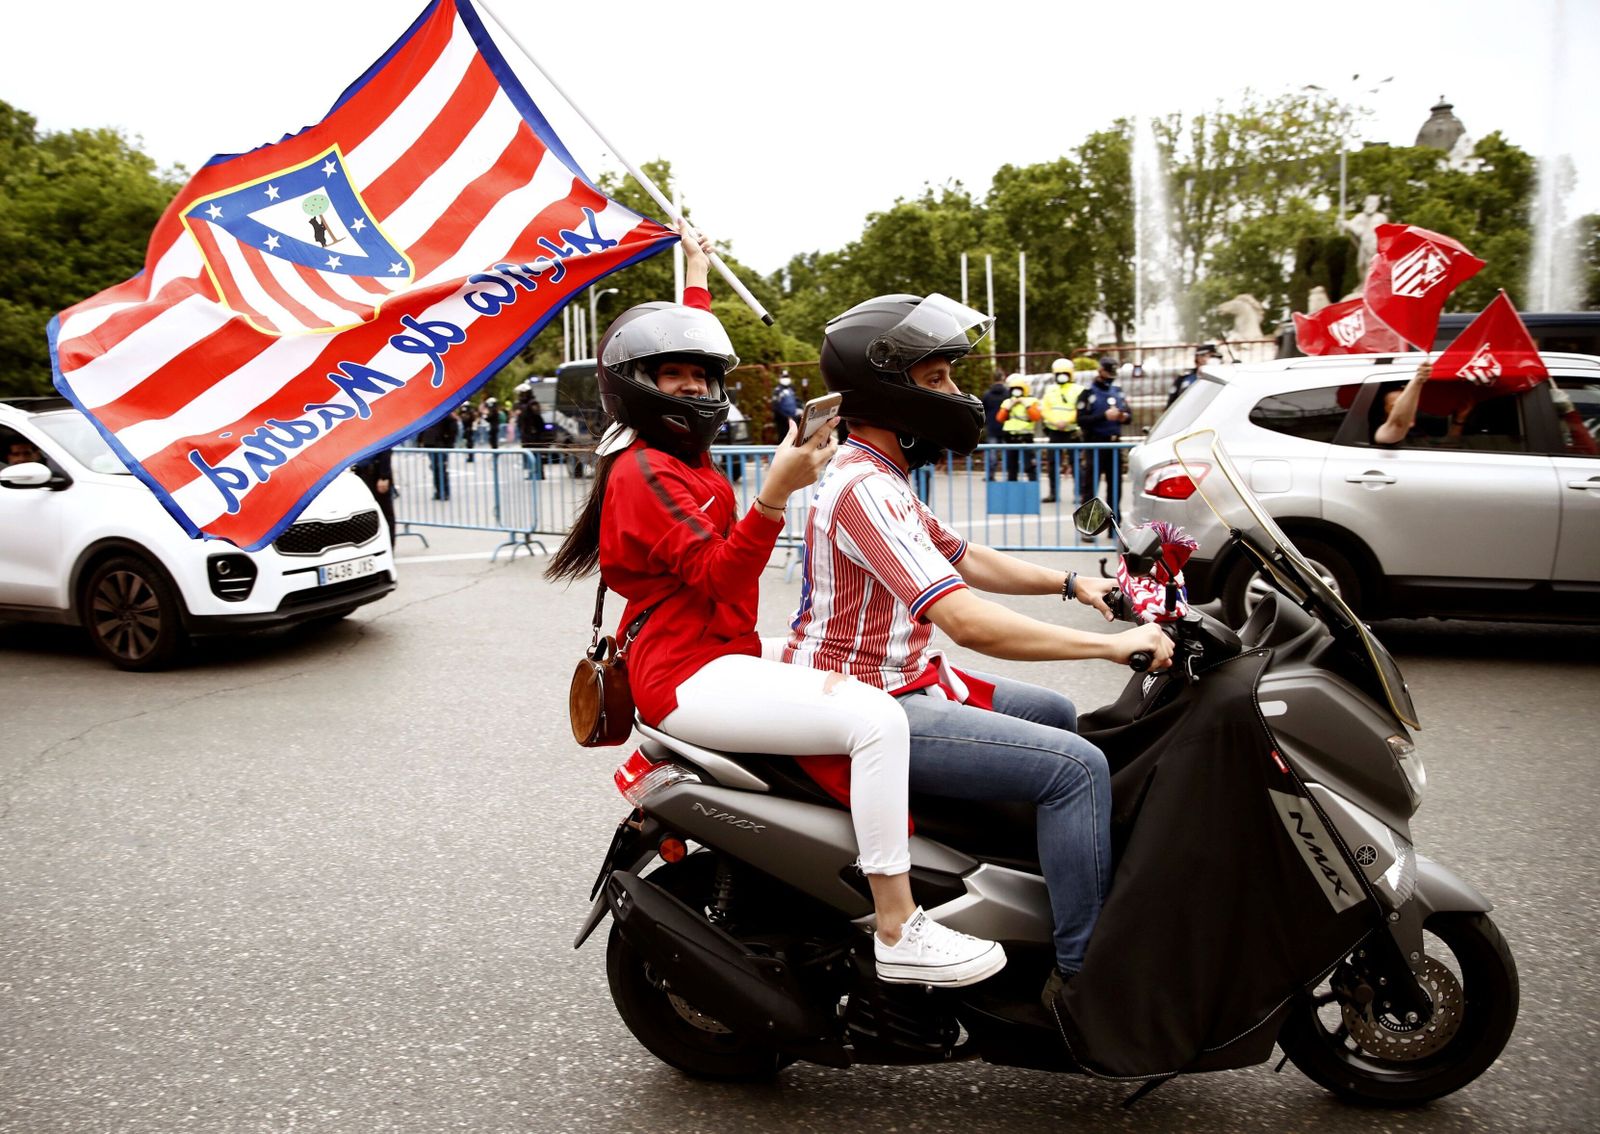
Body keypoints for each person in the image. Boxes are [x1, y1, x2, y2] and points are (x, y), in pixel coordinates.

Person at [546, 236, 1005, 988]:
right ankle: (898, 924)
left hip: (713, 647)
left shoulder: (663, 453)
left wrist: (695, 278)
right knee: (876, 720)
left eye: (704, 376)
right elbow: (721, 578)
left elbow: (682, 339)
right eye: (675, 377)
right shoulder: (644, 472)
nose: (694, 388)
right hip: (687, 668)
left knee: (839, 668)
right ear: (636, 384)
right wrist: (772, 495)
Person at [781, 293, 1174, 1002]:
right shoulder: (862, 487)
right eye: (936, 381)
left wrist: (1074, 583)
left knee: (1054, 715)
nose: (956, 395)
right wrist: (1113, 650)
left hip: (900, 680)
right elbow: (969, 622)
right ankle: (1087, 980)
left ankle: (1016, 885)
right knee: (1078, 768)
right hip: (871, 701)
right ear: (887, 388)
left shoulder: (882, 474)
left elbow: (963, 557)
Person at [1076, 355, 1130, 508]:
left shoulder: (1117, 392)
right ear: (1101, 371)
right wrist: (1103, 416)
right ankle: (1088, 528)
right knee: (1090, 489)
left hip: (1114, 445)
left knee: (1115, 487)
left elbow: (1128, 416)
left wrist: (1122, 416)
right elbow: (1081, 420)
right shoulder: (1088, 393)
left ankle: (1114, 526)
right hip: (1095, 444)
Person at [1040, 358, 1084, 504]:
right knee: (1052, 463)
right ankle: (1053, 493)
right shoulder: (1050, 390)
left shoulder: (1078, 390)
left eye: (1064, 373)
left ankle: (1079, 493)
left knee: (1076, 463)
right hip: (1055, 431)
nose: (1061, 376)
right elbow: (1045, 408)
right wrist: (1055, 421)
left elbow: (1080, 410)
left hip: (1072, 431)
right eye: (1058, 373)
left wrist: (1066, 421)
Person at [996, 376, 1041, 482]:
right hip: (1010, 438)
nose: (1016, 392)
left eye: (1019, 389)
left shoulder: (1032, 401)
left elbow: (1036, 417)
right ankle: (1012, 491)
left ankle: (1032, 488)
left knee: (1029, 466)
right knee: (1011, 467)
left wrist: (1026, 404)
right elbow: (999, 418)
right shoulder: (1007, 402)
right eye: (1014, 389)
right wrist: (1009, 407)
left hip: (1026, 438)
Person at [351, 448, 396, 539]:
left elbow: (386, 449)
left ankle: (388, 544)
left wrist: (384, 476)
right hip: (361, 473)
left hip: (375, 474)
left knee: (384, 513)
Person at [419, 410, 458, 500]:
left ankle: (444, 491)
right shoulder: (427, 413)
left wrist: (449, 443)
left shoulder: (443, 411)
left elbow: (453, 427)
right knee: (435, 469)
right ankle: (438, 491)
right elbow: (422, 427)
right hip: (430, 444)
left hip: (440, 444)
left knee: (441, 468)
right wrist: (421, 440)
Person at [1168, 344, 1218, 408]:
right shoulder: (1186, 377)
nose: (1214, 359)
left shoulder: (1221, 377)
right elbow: (1173, 400)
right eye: (1211, 356)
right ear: (1199, 357)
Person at [980, 371, 1009, 481]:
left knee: (992, 453)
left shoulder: (988, 394)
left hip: (992, 426)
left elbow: (983, 410)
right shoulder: (1008, 393)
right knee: (1007, 452)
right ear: (1003, 378)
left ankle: (990, 475)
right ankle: (1008, 475)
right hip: (1006, 426)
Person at [771, 372, 800, 440]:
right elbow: (775, 406)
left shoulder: (791, 389)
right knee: (783, 437)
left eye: (786, 377)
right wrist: (786, 417)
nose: (785, 379)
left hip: (793, 418)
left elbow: (796, 401)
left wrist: (798, 411)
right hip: (782, 420)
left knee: (794, 436)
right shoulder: (777, 391)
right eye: (784, 377)